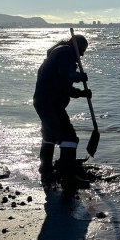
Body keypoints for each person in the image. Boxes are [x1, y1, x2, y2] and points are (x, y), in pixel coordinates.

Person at [33, 34, 92, 191]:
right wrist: (80, 76)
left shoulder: (58, 53)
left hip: (44, 102)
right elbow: (67, 74)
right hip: (51, 104)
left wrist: (81, 93)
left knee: (49, 136)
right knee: (69, 137)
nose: (82, 55)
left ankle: (46, 170)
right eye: (82, 50)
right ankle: (68, 177)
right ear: (76, 46)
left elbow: (62, 85)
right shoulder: (65, 52)